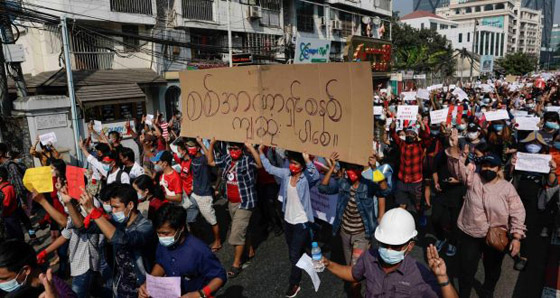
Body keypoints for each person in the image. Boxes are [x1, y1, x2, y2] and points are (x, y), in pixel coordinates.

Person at [446, 128, 526, 298]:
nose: (487, 169)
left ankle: (488, 291)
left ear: (498, 169)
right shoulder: (473, 179)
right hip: (471, 232)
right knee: (466, 269)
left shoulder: (507, 188)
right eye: (484, 165)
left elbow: (518, 211)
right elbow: (457, 169)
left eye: (492, 166)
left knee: (493, 269)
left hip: (496, 235)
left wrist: (517, 237)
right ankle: (464, 293)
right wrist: (454, 147)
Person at [321, 208, 458, 298]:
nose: (388, 250)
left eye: (395, 246)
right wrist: (328, 264)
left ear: (410, 246)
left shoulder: (419, 274)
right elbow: (353, 274)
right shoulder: (369, 257)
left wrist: (442, 278)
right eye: (384, 244)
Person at [318, 152, 389, 297]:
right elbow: (323, 188)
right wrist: (332, 168)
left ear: (360, 170)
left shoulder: (368, 185)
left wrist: (375, 169)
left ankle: (356, 292)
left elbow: (385, 190)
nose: (351, 172)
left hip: (362, 235)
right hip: (345, 232)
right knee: (351, 266)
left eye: (354, 168)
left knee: (355, 270)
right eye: (348, 168)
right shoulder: (343, 184)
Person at [259, 146, 319, 297]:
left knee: (293, 255)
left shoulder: (305, 179)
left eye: (296, 164)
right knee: (294, 250)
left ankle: (294, 283)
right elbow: (270, 169)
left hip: (302, 222)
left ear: (302, 166)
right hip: (288, 220)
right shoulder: (286, 174)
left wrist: (307, 159)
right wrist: (260, 152)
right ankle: (307, 254)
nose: (292, 166)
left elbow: (316, 176)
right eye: (291, 162)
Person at [76, 184, 156, 298]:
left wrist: (93, 211)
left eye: (117, 207)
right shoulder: (116, 222)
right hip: (119, 287)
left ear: (130, 205)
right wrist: (68, 203)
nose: (113, 211)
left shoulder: (146, 226)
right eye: (112, 207)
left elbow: (122, 240)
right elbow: (82, 227)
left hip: (141, 289)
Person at [138, 204, 226, 298]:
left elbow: (220, 276)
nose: (161, 237)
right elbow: (161, 263)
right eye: (158, 233)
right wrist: (150, 282)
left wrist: (199, 294)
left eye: (166, 233)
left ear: (181, 228)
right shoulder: (163, 243)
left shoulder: (199, 250)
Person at [207, 140, 262, 279]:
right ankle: (249, 250)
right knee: (243, 228)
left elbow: (260, 165)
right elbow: (211, 163)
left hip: (245, 202)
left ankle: (236, 264)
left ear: (242, 149)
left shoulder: (247, 160)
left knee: (236, 232)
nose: (233, 151)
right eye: (231, 148)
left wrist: (251, 148)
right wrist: (211, 144)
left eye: (236, 148)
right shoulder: (227, 159)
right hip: (231, 202)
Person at [0, 239, 76, 297]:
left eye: (5, 278)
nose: (1, 283)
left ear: (26, 270)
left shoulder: (60, 291)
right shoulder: (24, 285)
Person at [390, 114, 433, 213]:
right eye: (407, 133)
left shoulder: (420, 146)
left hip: (415, 182)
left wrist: (421, 122)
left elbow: (426, 136)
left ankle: (417, 221)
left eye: (412, 133)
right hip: (402, 181)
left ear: (416, 136)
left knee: (416, 206)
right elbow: (393, 133)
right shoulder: (402, 144)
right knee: (401, 206)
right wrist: (393, 121)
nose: (409, 135)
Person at [0, 143, 36, 240]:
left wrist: (22, 201)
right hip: (11, 200)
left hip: (17, 200)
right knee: (24, 221)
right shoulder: (3, 165)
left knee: (26, 221)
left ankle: (33, 237)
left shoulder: (11, 165)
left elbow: (19, 185)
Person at [0, 167, 23, 241]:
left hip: (10, 215)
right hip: (8, 215)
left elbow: (6, 204)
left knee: (15, 234)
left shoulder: (7, 188)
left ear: (0, 179)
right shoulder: (5, 187)